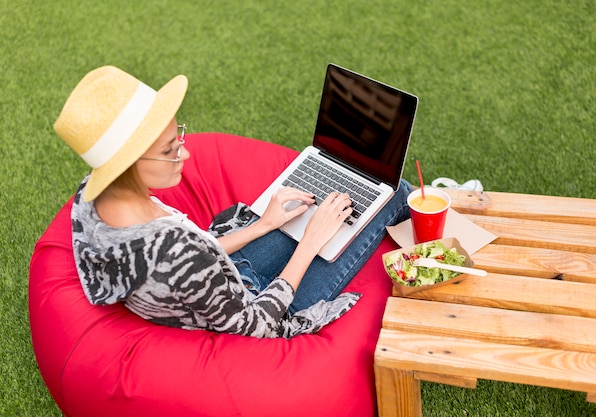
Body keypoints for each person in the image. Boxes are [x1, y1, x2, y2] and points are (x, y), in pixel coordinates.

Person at [55, 65, 411, 338]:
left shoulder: (96, 199)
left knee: (315, 206)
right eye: (169, 150)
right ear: (125, 165)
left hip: (226, 276)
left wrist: (263, 225)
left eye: (177, 138)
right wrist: (309, 243)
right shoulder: (170, 253)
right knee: (394, 192)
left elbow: (194, 254)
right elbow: (255, 324)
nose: (185, 152)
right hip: (263, 310)